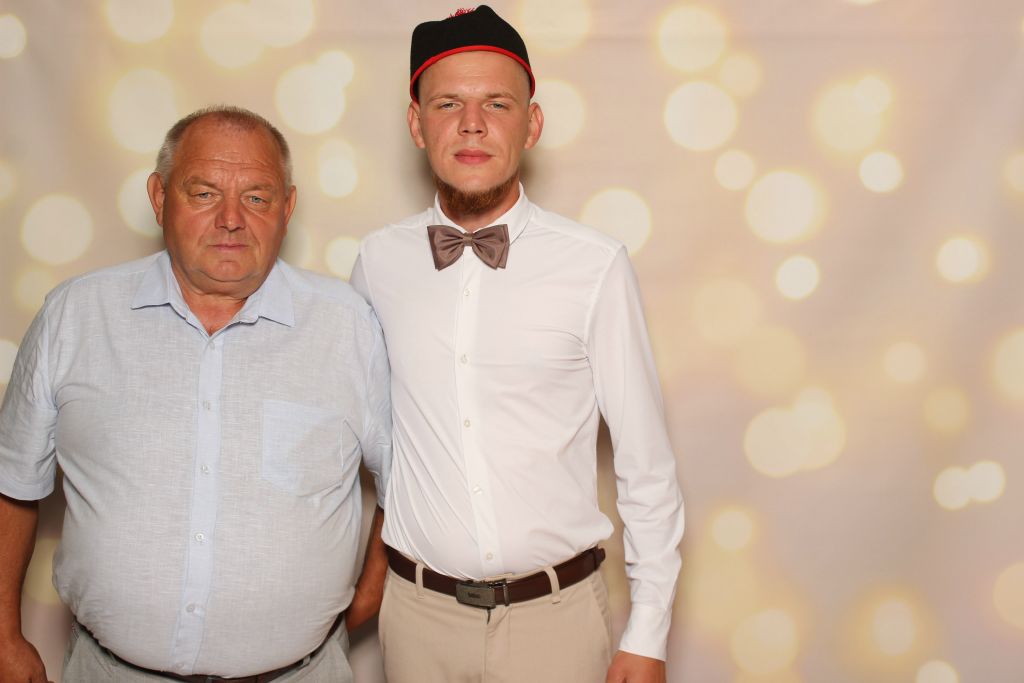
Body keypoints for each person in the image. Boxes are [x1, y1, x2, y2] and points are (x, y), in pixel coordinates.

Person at [350, 6, 684, 683]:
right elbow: (369, 442)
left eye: (497, 104)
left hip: (556, 623)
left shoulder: (595, 265)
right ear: (417, 124)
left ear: (531, 124)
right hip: (416, 623)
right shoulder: (377, 264)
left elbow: (645, 463)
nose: (472, 123)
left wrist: (648, 631)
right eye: (448, 103)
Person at [0, 106, 391, 683]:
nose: (231, 219)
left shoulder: (348, 326)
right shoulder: (75, 315)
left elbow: (403, 482)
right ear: (160, 198)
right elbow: (12, 482)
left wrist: (365, 598)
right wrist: (4, 635)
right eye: (204, 193)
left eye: (256, 197)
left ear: (287, 208)